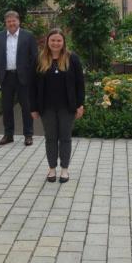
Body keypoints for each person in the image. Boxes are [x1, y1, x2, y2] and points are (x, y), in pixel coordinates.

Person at [30, 29, 85, 183]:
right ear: (48, 41)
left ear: (63, 42)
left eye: (58, 40)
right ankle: (52, 169)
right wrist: (33, 108)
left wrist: (80, 105)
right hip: (46, 107)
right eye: (53, 40)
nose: (55, 43)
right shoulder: (39, 59)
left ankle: (65, 170)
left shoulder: (72, 58)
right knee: (50, 138)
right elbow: (32, 85)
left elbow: (80, 84)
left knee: (65, 138)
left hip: (67, 107)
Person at [0, 11, 38, 146]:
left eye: (13, 21)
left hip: (24, 78)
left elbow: (35, 58)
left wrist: (35, 76)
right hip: (6, 77)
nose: (11, 24)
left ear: (18, 21)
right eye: (9, 21)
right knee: (7, 107)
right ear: (6, 23)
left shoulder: (28, 36)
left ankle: (28, 135)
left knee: (26, 107)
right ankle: (8, 135)